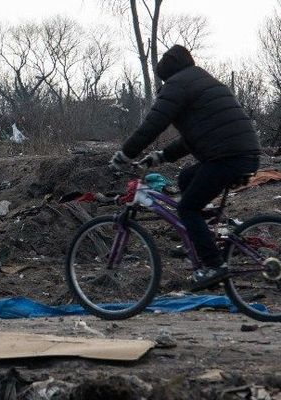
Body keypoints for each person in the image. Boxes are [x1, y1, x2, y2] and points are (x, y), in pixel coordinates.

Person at [109, 44, 261, 290]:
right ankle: (199, 237)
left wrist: (126, 153)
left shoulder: (177, 85)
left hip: (227, 157)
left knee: (188, 208)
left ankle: (214, 265)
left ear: (166, 73)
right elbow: (199, 135)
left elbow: (153, 125)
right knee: (186, 178)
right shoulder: (204, 81)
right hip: (241, 153)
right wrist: (160, 156)